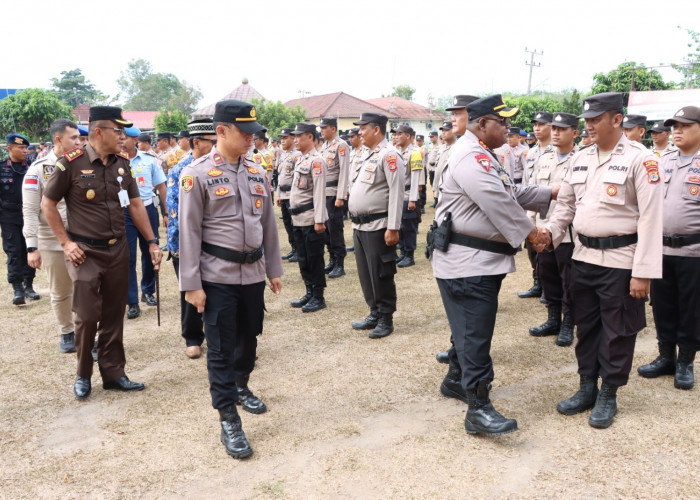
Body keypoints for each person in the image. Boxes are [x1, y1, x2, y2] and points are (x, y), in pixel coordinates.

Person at [431, 94, 553, 436]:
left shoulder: (483, 153)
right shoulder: (472, 154)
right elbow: (497, 200)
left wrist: (550, 192)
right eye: (503, 122)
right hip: (468, 262)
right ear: (482, 124)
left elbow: (509, 191)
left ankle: (456, 379)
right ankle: (478, 408)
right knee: (474, 333)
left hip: (477, 260)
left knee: (467, 328)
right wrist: (530, 233)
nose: (508, 128)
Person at [540, 92, 663, 429]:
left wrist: (644, 273)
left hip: (621, 261)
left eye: (596, 119)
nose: (590, 125)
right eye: (587, 120)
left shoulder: (642, 159)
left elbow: (652, 218)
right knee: (587, 326)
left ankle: (609, 393)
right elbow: (565, 205)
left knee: (617, 331)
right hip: (582, 256)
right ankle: (586, 388)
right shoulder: (581, 157)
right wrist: (548, 232)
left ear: (617, 119)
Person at [178, 99, 283, 459]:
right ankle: (228, 418)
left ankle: (241, 385)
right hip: (216, 276)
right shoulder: (197, 173)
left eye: (255, 132)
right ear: (222, 131)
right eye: (245, 132)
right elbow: (189, 232)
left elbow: (267, 222)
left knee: (249, 337)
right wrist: (191, 284)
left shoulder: (257, 171)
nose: (253, 138)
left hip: (252, 274)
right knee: (220, 348)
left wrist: (274, 268)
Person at [42, 106, 162, 399]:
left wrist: (152, 241)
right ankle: (83, 374)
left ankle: (113, 373)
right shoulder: (70, 163)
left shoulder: (122, 163)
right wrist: (66, 244)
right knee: (85, 316)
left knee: (113, 313)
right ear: (98, 132)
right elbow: (48, 204)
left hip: (118, 249)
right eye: (118, 131)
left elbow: (135, 204)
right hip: (85, 252)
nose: (124, 137)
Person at [638, 106, 700, 390]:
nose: (677, 130)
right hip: (661, 249)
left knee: (691, 308)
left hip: (693, 251)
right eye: (674, 125)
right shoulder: (663, 161)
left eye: (685, 125)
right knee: (663, 306)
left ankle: (686, 361)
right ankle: (666, 356)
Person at [23, 120, 80, 352]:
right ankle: (67, 332)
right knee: (60, 289)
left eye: (79, 138)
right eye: (73, 138)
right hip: (51, 239)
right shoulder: (38, 168)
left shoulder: (83, 163)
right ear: (58, 139)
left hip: (81, 237)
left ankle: (87, 333)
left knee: (85, 289)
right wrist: (31, 246)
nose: (79, 142)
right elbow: (29, 208)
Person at [348, 113, 405, 339]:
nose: (359, 132)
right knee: (365, 273)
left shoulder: (390, 155)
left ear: (376, 130)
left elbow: (396, 192)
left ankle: (385, 317)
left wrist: (393, 227)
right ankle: (374, 311)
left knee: (381, 272)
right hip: (360, 226)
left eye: (363, 128)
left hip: (379, 225)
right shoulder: (367, 155)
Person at [527, 113, 580, 346]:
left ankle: (568, 323)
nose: (556, 133)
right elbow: (533, 190)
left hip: (569, 232)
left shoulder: (581, 159)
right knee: (547, 276)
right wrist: (531, 225)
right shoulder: (544, 157)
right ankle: (553, 319)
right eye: (554, 128)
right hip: (543, 227)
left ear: (575, 133)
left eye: (562, 129)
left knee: (568, 280)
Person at [166, 118, 216, 359]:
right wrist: (179, 249)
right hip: (189, 243)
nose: (217, 145)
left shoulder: (221, 166)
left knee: (218, 291)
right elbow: (175, 212)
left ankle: (221, 336)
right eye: (212, 142)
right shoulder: (181, 171)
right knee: (190, 291)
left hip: (217, 243)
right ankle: (193, 337)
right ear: (197, 142)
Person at [123, 125, 167, 319]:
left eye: (125, 138)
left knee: (151, 251)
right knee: (128, 257)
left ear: (135, 141)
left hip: (148, 209)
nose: (121, 140)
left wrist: (165, 211)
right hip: (124, 213)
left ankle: (148, 291)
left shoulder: (150, 161)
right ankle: (131, 300)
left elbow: (161, 187)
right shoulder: (115, 161)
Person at [289, 123, 328, 312]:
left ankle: (319, 296)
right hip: (297, 218)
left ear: (310, 137)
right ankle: (309, 291)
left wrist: (319, 219)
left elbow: (320, 192)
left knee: (314, 258)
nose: (295, 140)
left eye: (299, 136)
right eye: (294, 136)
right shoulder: (301, 159)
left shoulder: (317, 160)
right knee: (303, 258)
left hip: (311, 218)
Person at [1, 133, 39, 305]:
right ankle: (17, 288)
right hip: (8, 216)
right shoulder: (1, 167)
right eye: (21, 148)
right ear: (10, 148)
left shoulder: (31, 167)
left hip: (29, 214)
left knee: (29, 249)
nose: (25, 151)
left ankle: (29, 285)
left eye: (26, 148)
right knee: (14, 252)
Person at [318, 117, 350, 278]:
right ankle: (331, 259)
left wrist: (341, 195)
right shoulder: (323, 146)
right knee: (326, 229)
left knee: (335, 229)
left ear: (333, 128)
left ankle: (339, 263)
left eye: (324, 128)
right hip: (323, 193)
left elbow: (344, 171)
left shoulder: (341, 145)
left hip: (334, 193)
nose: (321, 130)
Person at [393, 124, 422, 268]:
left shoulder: (415, 152)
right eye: (395, 134)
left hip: (408, 193)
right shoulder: (396, 152)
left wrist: (413, 198)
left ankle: (409, 255)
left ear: (409, 136)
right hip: (397, 195)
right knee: (399, 225)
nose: (396, 136)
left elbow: (416, 177)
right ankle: (403, 252)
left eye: (399, 134)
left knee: (408, 226)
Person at [275, 128, 300, 263]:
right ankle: (294, 248)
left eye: (285, 138)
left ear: (292, 138)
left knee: (294, 223)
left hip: (292, 194)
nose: (282, 141)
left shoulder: (297, 155)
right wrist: (278, 194)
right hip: (283, 194)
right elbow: (280, 176)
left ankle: (299, 250)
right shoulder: (283, 155)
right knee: (287, 223)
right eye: (281, 138)